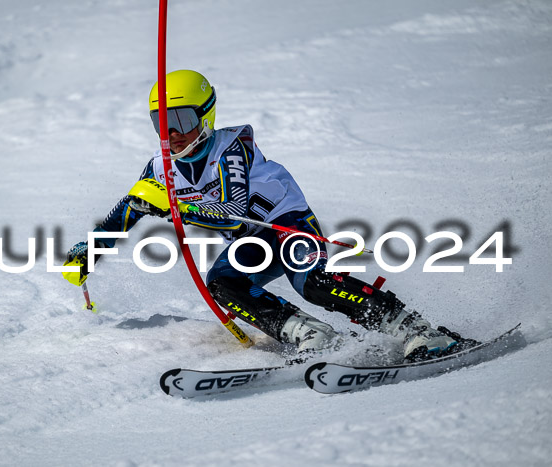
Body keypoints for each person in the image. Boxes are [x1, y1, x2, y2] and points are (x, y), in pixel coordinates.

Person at [64, 69, 463, 361]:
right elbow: (128, 209)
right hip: (252, 243)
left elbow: (233, 211)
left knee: (312, 281)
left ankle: (418, 331)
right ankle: (310, 334)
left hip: (287, 225)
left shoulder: (230, 149)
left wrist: (176, 206)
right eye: (161, 123)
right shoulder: (160, 166)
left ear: (206, 116)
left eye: (181, 120)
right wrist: (88, 249)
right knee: (223, 282)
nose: (172, 133)